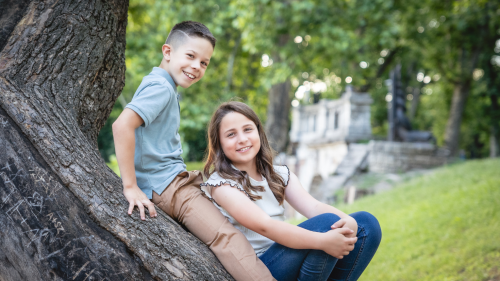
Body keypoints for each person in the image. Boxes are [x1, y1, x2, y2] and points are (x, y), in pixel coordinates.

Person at [112, 22, 275, 281]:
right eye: (190, 56)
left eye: (204, 63)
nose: (196, 67)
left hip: (171, 182)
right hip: (169, 187)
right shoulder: (161, 88)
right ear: (168, 52)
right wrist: (130, 186)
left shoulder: (163, 85)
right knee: (226, 237)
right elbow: (122, 126)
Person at [201, 101, 382, 281]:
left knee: (366, 224)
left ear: (258, 132)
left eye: (247, 129)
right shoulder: (222, 184)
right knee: (327, 224)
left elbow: (313, 207)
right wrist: (323, 241)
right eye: (231, 134)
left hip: (287, 256)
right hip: (259, 267)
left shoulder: (278, 174)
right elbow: (266, 226)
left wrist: (348, 220)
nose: (242, 139)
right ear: (219, 144)